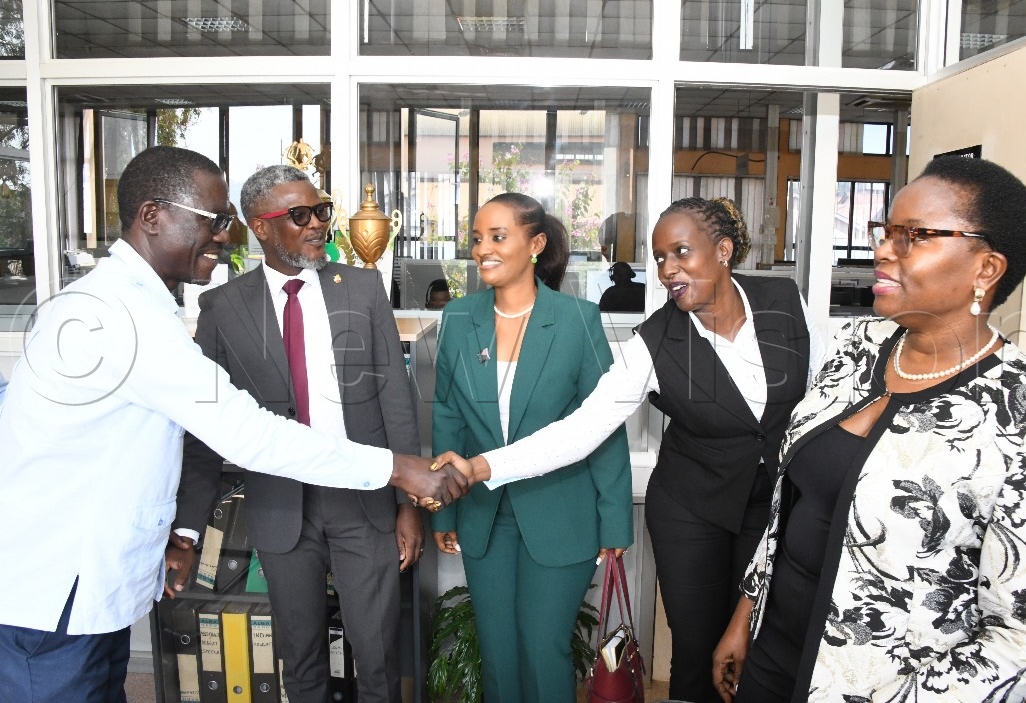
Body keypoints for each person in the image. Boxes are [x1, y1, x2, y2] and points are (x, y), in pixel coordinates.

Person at [0, 146, 466, 702]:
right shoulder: (122, 317)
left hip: (87, 582)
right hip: (58, 589)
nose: (225, 236)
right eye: (214, 220)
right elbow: (244, 433)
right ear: (153, 216)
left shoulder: (138, 308)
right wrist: (398, 470)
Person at [712, 156, 1026, 703]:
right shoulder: (856, 347)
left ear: (986, 268)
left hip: (880, 687)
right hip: (772, 654)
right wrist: (744, 614)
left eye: (914, 236)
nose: (884, 249)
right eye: (886, 231)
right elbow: (792, 509)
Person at [437, 196, 825, 703]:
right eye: (659, 257)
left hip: (776, 508)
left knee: (772, 643)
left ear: (724, 250)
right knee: (697, 648)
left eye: (681, 253)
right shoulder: (655, 339)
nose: (667, 271)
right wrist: (484, 467)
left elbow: (826, 402)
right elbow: (584, 429)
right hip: (695, 504)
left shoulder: (786, 303)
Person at [168, 165, 421, 703]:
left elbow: (395, 400)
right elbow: (205, 429)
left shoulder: (362, 287)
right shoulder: (222, 308)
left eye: (321, 212)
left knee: (376, 656)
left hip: (362, 499)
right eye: (299, 215)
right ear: (260, 227)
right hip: (281, 507)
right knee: (300, 658)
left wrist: (408, 506)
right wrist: (187, 531)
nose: (317, 225)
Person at [431, 192, 634, 703]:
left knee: (544, 649)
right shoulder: (459, 318)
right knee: (498, 652)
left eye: (498, 237)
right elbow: (448, 415)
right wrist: (442, 510)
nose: (483, 250)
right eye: (477, 239)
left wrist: (614, 520)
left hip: (560, 511)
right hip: (484, 513)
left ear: (536, 244)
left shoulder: (577, 319)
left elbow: (602, 425)